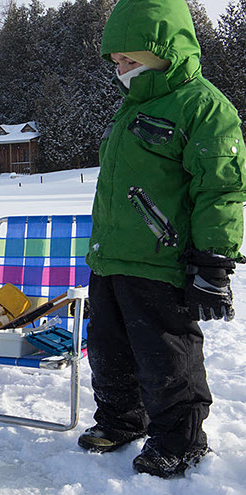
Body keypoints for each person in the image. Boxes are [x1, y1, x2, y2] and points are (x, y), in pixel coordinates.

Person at [79, 0, 246, 478]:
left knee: (165, 355)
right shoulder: (133, 108)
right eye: (116, 62)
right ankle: (120, 419)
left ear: (165, 51)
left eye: (130, 59)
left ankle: (181, 438)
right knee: (109, 350)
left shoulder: (204, 106)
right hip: (111, 257)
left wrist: (214, 262)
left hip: (161, 259)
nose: (121, 69)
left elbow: (221, 189)